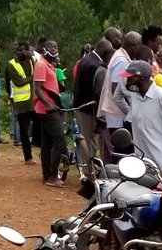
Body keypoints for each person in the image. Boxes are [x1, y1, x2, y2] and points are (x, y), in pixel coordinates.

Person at [32, 40, 68, 186]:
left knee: (47, 143)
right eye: (50, 47)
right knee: (60, 140)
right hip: (47, 109)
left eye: (55, 47)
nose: (53, 49)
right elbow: (38, 88)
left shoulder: (50, 65)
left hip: (50, 107)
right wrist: (48, 104)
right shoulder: (41, 65)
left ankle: (47, 176)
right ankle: (52, 176)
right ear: (43, 49)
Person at [73, 40, 109, 180]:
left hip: (85, 107)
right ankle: (88, 174)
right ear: (103, 50)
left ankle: (91, 170)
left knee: (91, 141)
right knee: (88, 141)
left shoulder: (87, 59)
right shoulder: (94, 64)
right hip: (87, 108)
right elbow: (96, 91)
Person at [8, 41, 38, 162]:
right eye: (18, 50)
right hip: (22, 102)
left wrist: (31, 57)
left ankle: (38, 145)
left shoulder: (32, 60)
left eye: (23, 50)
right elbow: (18, 82)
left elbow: (39, 71)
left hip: (35, 100)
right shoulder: (12, 64)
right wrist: (32, 78)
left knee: (40, 125)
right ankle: (28, 157)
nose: (20, 52)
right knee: (24, 130)